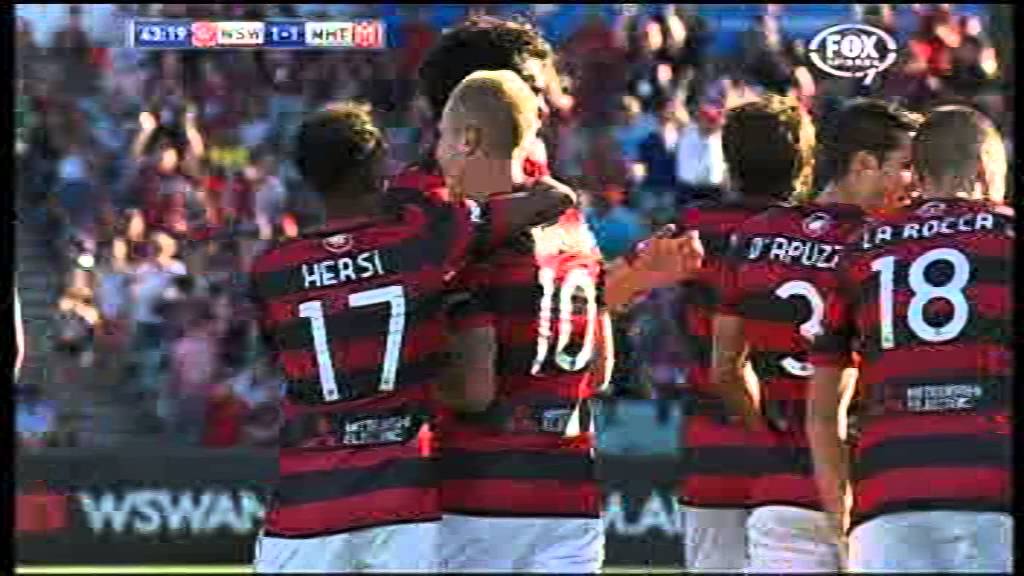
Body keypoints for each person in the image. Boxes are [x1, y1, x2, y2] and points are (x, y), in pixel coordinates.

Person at [248, 102, 573, 573]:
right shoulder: (420, 242)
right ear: (378, 167)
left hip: (306, 501)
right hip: (402, 500)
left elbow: (278, 355)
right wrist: (419, 193)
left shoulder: (272, 269)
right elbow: (552, 198)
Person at [712, 99, 921, 572]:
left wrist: (771, 435)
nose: (917, 183)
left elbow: (724, 370)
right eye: (907, 166)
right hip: (877, 487)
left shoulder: (754, 237)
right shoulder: (891, 246)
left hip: (781, 492)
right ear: (864, 163)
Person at [808, 105, 1013, 573]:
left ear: (917, 174)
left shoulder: (861, 249)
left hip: (888, 499)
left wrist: (843, 516)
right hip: (995, 488)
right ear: (984, 168)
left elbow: (822, 412)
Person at [435, 69, 612, 574]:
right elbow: (598, 369)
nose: (440, 152)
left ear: (468, 139)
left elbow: (474, 391)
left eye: (444, 137)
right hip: (571, 494)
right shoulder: (577, 232)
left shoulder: (475, 242)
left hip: (480, 492)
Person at [674, 94, 815, 572]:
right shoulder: (818, 234)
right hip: (801, 453)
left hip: (713, 448)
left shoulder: (692, 227)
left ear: (730, 161)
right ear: (804, 162)